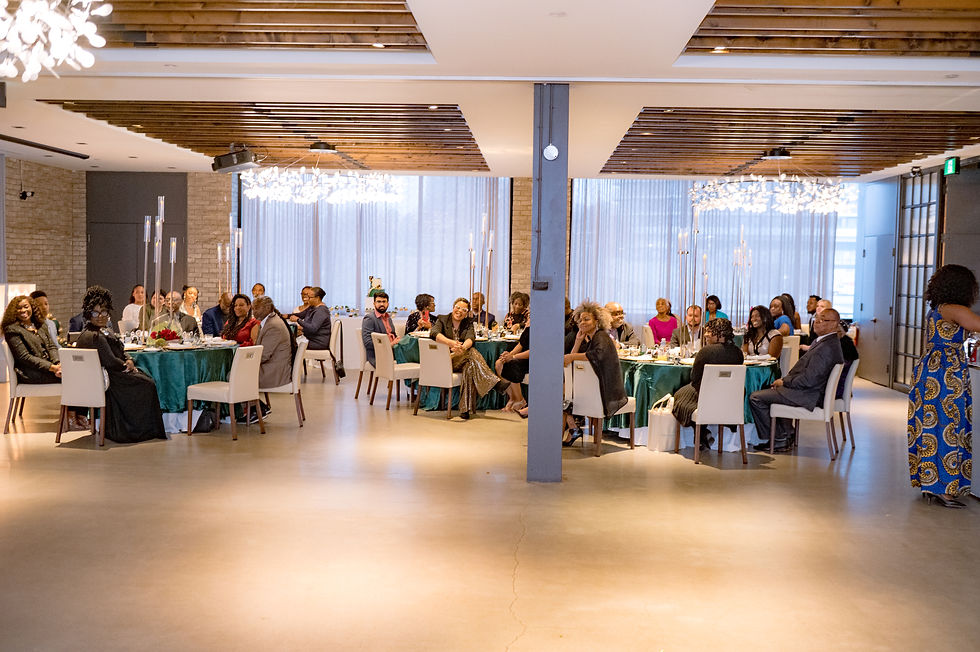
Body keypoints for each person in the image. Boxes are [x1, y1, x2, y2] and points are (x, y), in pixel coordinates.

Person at [908, 264, 979, 508]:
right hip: (946, 373)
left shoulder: (938, 309)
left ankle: (932, 484)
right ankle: (943, 489)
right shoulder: (955, 309)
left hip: (931, 370)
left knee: (932, 425)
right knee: (949, 425)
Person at [75, 286, 166, 443]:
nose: (100, 316)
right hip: (109, 379)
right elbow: (110, 361)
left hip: (113, 373)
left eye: (104, 312)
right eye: (95, 313)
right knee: (148, 384)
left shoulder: (104, 330)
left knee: (145, 378)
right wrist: (127, 366)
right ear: (88, 314)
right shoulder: (93, 336)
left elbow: (120, 349)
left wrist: (129, 359)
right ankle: (136, 430)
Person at [749, 308, 844, 452]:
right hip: (811, 390)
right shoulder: (827, 342)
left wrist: (785, 382)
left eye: (823, 319)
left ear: (834, 324)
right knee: (769, 389)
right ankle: (787, 433)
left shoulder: (826, 347)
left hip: (809, 394)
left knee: (756, 397)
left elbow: (809, 380)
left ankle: (778, 438)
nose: (817, 322)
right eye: (817, 318)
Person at [2, 295, 87, 430]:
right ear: (14, 311)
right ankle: (70, 418)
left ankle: (80, 416)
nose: (23, 310)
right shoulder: (12, 330)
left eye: (26, 307)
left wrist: (58, 364)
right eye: (18, 308)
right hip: (30, 372)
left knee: (80, 373)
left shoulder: (40, 325)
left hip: (49, 368)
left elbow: (52, 347)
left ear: (31, 307)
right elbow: (25, 357)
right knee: (74, 377)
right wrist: (52, 368)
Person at [671, 318, 744, 449]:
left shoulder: (706, 351)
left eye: (710, 332)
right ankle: (702, 434)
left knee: (679, 396)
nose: (705, 334)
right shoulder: (738, 352)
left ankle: (700, 434)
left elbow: (694, 377)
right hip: (729, 398)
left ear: (721, 333)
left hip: (706, 394)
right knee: (695, 398)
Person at [562, 301, 627, 446]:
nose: (582, 323)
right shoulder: (590, 338)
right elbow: (568, 360)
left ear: (597, 321)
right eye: (580, 320)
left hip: (607, 389)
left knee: (562, 393)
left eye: (587, 319)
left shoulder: (601, 336)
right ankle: (573, 427)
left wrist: (572, 357)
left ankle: (572, 428)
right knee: (562, 392)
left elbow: (596, 355)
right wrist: (578, 341)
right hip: (593, 388)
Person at [431, 297, 507, 419]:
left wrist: (462, 347)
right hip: (445, 359)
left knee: (470, 366)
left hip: (461, 357)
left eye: (464, 310)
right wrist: (451, 343)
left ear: (467, 313)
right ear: (453, 307)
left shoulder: (468, 322)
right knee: (471, 353)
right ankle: (493, 382)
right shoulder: (442, 319)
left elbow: (470, 338)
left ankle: (464, 409)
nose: (460, 311)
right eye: (458, 307)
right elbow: (434, 333)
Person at [253, 296, 292, 390]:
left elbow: (264, 355)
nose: (254, 312)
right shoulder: (271, 321)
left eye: (257, 308)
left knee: (233, 374)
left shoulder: (273, 326)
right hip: (272, 366)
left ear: (267, 308)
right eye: (253, 308)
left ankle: (246, 399)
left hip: (274, 372)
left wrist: (244, 361)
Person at [495, 325, 529, 414]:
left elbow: (535, 351)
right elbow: (521, 344)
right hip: (521, 356)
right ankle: (512, 398)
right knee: (499, 363)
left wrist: (513, 357)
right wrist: (509, 354)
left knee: (511, 364)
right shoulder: (529, 326)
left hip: (532, 360)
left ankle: (520, 400)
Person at [362, 291, 398, 367]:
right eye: (379, 301)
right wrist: (389, 345)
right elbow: (368, 343)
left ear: (388, 304)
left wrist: (397, 340)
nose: (381, 304)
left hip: (394, 352)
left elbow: (393, 334)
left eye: (384, 302)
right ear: (374, 303)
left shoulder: (388, 318)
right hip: (378, 355)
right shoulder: (369, 318)